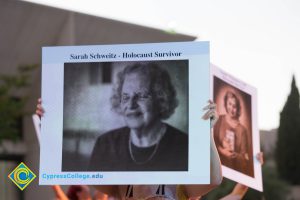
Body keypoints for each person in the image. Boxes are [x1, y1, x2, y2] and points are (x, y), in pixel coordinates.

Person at [36, 97, 222, 199]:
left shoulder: (179, 177)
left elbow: (214, 179)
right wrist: (53, 123)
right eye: (126, 98)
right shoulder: (120, 174)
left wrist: (208, 131)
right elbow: (88, 170)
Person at [89, 62, 188, 171]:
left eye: (142, 96)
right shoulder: (105, 145)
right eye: (125, 97)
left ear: (160, 100)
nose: (131, 105)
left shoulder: (184, 147)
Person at [213, 91, 250, 174]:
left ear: (238, 108)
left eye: (234, 106)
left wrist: (233, 154)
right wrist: (222, 150)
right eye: (229, 104)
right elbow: (210, 140)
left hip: (232, 173)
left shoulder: (242, 130)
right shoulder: (218, 120)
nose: (231, 108)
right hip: (214, 169)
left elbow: (244, 157)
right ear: (226, 104)